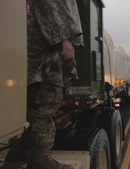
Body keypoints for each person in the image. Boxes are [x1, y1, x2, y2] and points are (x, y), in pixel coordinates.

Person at [3, 0, 83, 169]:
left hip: (34, 37)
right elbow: (50, 4)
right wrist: (63, 38)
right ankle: (39, 158)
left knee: (37, 103)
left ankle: (18, 154)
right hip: (44, 43)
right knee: (45, 101)